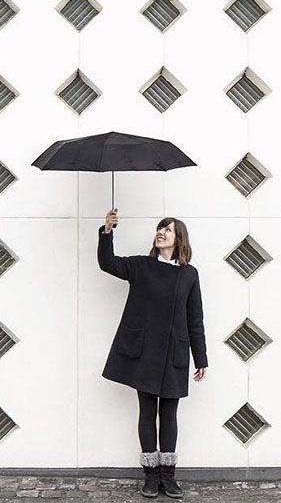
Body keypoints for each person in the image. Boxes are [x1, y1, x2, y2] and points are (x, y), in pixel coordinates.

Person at [97, 207, 208, 498]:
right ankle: (150, 475)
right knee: (147, 412)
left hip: (174, 354)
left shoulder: (189, 274)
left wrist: (201, 359)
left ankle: (168, 477)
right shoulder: (141, 266)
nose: (161, 232)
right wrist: (107, 231)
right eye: (160, 228)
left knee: (169, 413)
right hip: (144, 353)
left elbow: (195, 318)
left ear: (179, 238)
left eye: (168, 229)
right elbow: (108, 263)